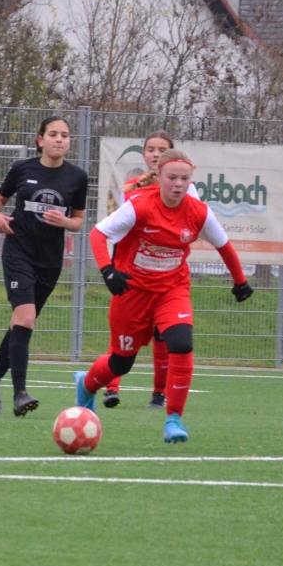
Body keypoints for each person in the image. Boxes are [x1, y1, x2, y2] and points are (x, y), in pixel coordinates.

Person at [72, 151, 253, 444]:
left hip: (172, 290)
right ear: (158, 177)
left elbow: (225, 246)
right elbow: (97, 234)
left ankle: (173, 421)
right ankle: (87, 384)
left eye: (185, 178)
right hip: (133, 292)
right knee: (121, 363)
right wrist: (108, 270)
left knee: (181, 344)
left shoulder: (198, 212)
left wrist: (240, 281)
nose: (178, 184)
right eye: (172, 178)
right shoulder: (140, 206)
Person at [0, 115, 87, 416]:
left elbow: (78, 221)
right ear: (40, 139)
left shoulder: (77, 178)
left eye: (65, 135)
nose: (59, 140)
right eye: (53, 134)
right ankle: (20, 394)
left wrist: (66, 221)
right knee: (25, 319)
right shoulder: (22, 169)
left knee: (19, 325)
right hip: (18, 252)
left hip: (50, 261)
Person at [105, 131, 176, 410]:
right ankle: (111, 386)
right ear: (144, 155)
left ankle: (159, 393)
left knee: (162, 332)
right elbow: (115, 229)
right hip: (130, 268)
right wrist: (112, 267)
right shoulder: (131, 187)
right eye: (150, 149)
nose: (156, 154)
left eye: (162, 150)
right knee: (123, 331)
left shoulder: (181, 188)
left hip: (164, 273)